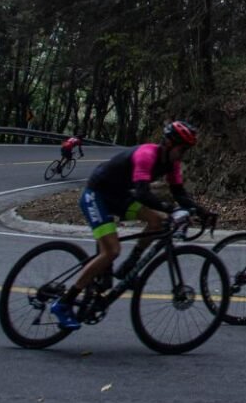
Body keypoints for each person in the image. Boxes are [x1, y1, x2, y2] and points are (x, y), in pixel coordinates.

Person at [50, 120, 211, 329]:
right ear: (170, 144)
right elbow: (143, 193)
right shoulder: (147, 155)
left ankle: (130, 266)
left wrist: (201, 211)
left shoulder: (172, 164)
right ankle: (65, 302)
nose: (183, 154)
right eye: (182, 149)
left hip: (119, 196)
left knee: (158, 221)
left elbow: (179, 193)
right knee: (111, 251)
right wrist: (172, 209)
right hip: (96, 195)